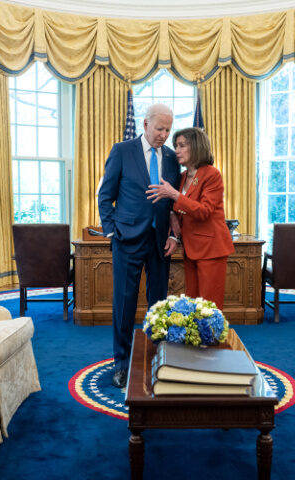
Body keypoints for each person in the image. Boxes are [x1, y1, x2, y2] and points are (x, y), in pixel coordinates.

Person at [98, 104, 181, 388]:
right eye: (160, 128)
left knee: (158, 303)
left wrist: (174, 236)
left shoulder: (171, 158)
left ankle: (156, 357)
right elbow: (105, 195)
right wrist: (111, 231)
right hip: (127, 238)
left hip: (160, 243)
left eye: (168, 130)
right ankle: (121, 363)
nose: (164, 135)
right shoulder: (121, 151)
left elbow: (173, 202)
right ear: (145, 124)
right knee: (124, 303)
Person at [146, 127, 234, 309]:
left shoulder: (211, 174)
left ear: (196, 147)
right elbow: (178, 213)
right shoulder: (182, 177)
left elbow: (204, 211)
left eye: (182, 145)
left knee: (209, 306)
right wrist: (173, 234)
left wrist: (174, 195)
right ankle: (197, 338)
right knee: (194, 303)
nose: (176, 150)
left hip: (211, 249)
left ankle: (210, 338)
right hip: (190, 248)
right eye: (176, 146)